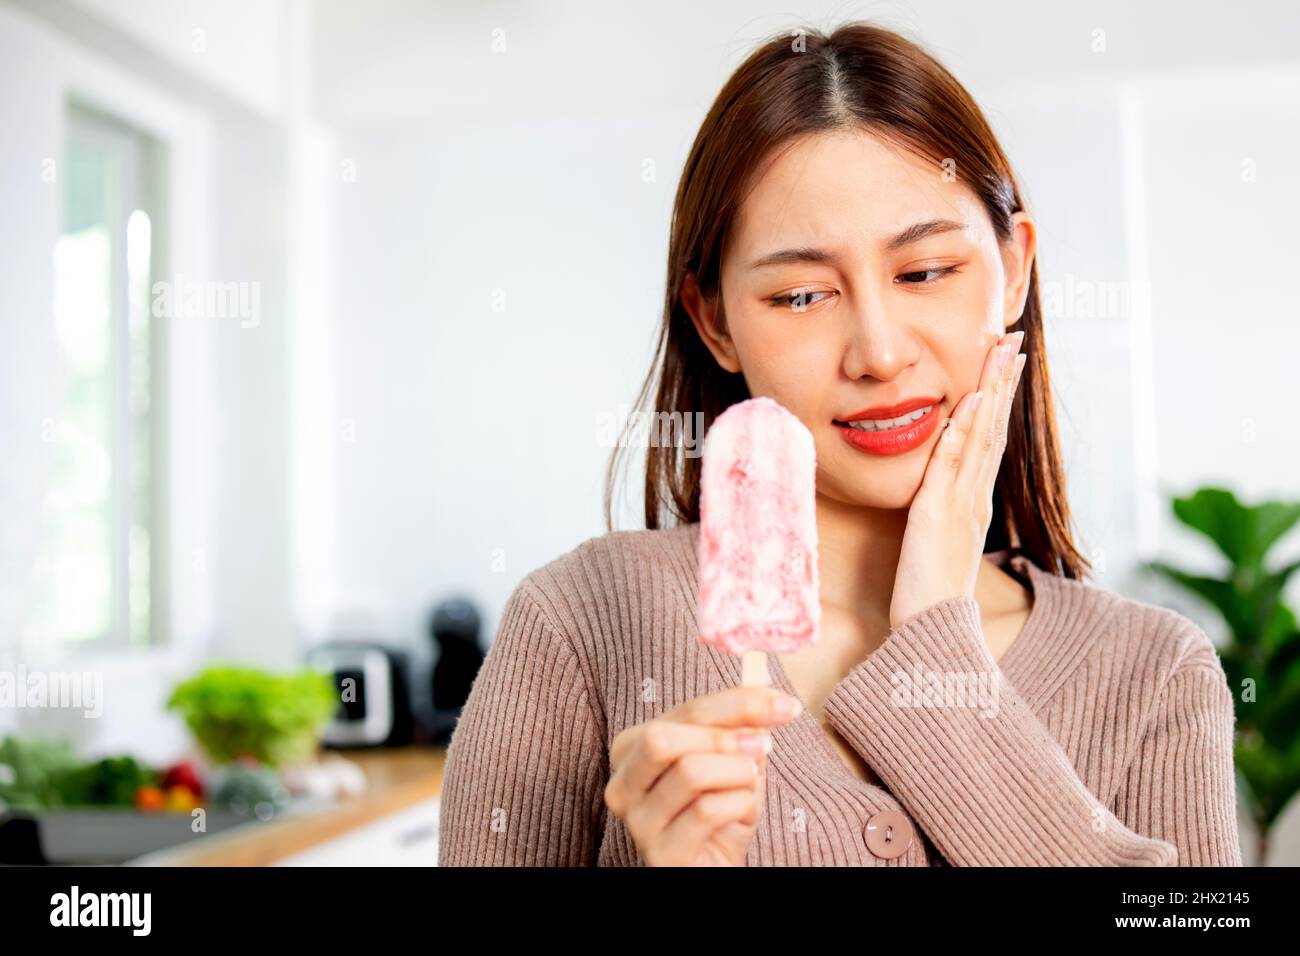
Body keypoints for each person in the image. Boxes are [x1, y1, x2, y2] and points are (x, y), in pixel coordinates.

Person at [437, 21, 1243, 867]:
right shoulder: (580, 623)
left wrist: (936, 628)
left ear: (1015, 268)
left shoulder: (1156, 672)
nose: (880, 353)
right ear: (714, 321)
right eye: (799, 296)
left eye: (926, 272)